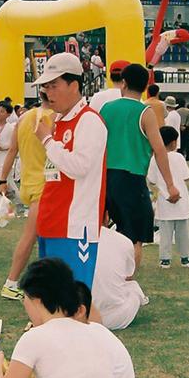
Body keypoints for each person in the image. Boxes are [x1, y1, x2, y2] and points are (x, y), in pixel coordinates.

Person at [33, 53, 108, 287]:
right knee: (50, 293)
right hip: (51, 220)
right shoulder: (58, 121)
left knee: (72, 295)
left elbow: (79, 166)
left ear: (74, 85)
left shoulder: (89, 121)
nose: (48, 93)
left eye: (54, 86)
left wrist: (47, 141)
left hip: (75, 226)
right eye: (45, 87)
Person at [99, 63, 178, 267]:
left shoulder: (107, 109)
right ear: (145, 87)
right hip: (131, 178)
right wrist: (170, 184)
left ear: (123, 83)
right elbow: (160, 150)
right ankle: (126, 284)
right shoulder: (145, 112)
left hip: (104, 177)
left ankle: (104, 278)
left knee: (102, 232)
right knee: (133, 238)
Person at [0, 98, 53, 301]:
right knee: (31, 236)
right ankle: (11, 283)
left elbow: (13, 150)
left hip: (28, 184)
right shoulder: (52, 118)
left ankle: (44, 281)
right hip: (45, 184)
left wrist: (2, 178)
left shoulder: (24, 118)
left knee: (42, 236)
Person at [148, 125, 189, 268]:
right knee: (183, 233)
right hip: (181, 201)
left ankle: (165, 259)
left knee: (165, 233)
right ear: (173, 142)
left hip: (165, 200)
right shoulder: (178, 157)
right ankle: (185, 258)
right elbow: (186, 176)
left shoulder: (154, 159)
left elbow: (152, 179)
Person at [90, 227, 148, 331]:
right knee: (133, 287)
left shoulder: (65, 239)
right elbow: (129, 275)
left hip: (73, 315)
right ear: (107, 216)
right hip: (113, 318)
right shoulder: (123, 241)